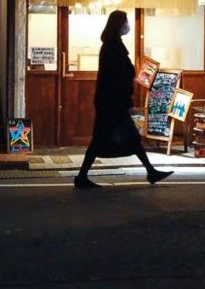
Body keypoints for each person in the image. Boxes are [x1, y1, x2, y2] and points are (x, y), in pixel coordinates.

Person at [74, 10, 172, 189]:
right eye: (126, 22)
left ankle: (150, 171)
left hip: (110, 101)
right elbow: (117, 75)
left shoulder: (111, 44)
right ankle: (150, 171)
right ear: (119, 24)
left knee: (118, 139)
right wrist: (126, 97)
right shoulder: (113, 46)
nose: (128, 26)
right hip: (113, 102)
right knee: (114, 139)